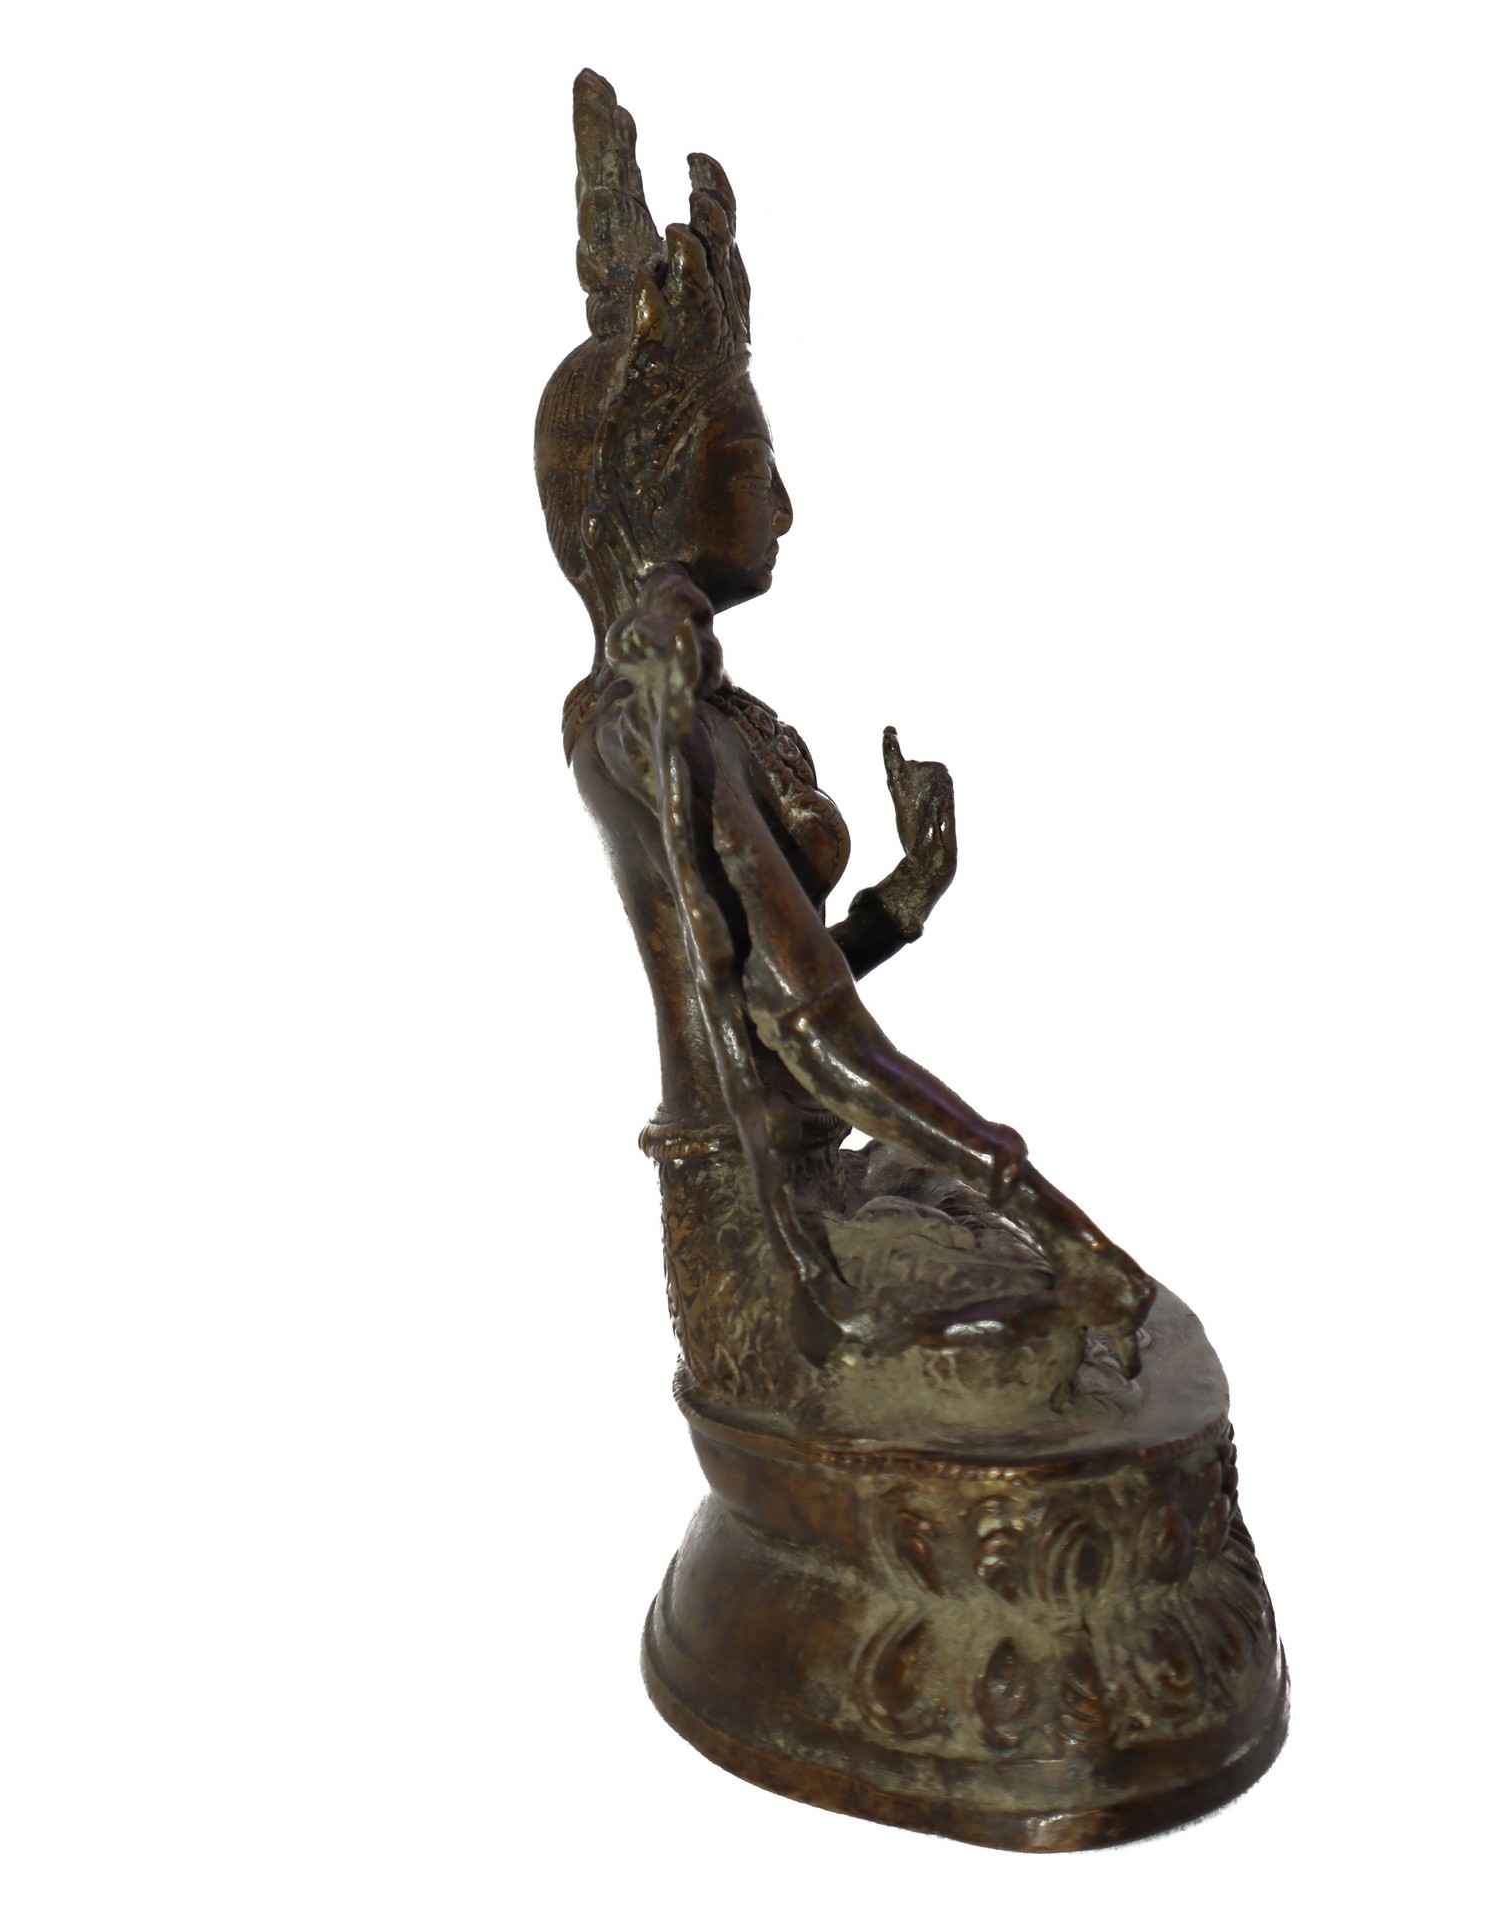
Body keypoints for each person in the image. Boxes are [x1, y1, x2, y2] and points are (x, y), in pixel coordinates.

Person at [540, 73, 1152, 1414]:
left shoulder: (692, 714)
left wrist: (899, 904)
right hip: (764, 1242)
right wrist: (1061, 1220)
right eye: (751, 466)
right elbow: (811, 1035)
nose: (785, 506)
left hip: (814, 1164)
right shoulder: (648, 723)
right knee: (1050, 1324)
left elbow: (780, 996)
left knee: (1013, 1268)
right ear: (663, 489)